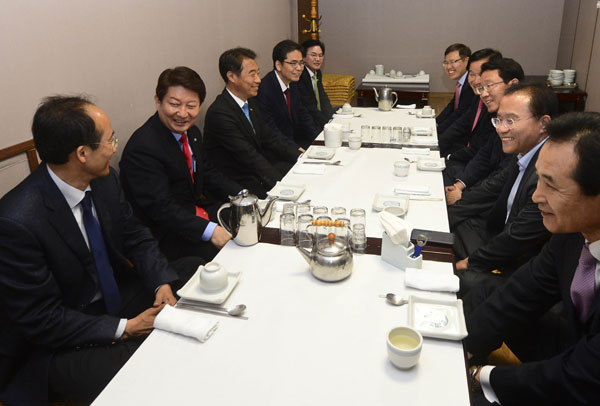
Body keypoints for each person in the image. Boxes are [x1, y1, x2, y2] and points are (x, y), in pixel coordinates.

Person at [0, 96, 199, 405]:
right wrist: (126, 328)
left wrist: (161, 283)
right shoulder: (17, 221)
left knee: (191, 271)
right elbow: (42, 320)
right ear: (82, 153)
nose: (114, 148)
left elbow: (136, 236)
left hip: (114, 298)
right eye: (110, 140)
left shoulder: (104, 180)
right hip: (60, 339)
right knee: (145, 362)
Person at [466, 111, 600, 405]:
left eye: (551, 185)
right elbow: (522, 292)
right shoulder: (571, 233)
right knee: (488, 292)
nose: (537, 195)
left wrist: (480, 377)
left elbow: (582, 375)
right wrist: (461, 351)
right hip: (577, 347)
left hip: (588, 379)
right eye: (539, 179)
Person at [120, 67, 242, 262]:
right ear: (158, 101)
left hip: (192, 212)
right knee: (229, 256)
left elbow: (208, 172)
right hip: (164, 233)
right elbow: (161, 208)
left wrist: (243, 195)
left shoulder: (192, 134)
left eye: (191, 105)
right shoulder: (143, 147)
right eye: (174, 104)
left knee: (247, 227)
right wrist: (210, 231)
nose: (183, 113)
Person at [449, 83, 557, 294]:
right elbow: (492, 189)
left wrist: (466, 263)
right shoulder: (525, 153)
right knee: (454, 226)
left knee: (463, 278)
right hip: (500, 235)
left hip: (521, 264)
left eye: (511, 121)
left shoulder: (547, 171)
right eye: (499, 120)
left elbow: (517, 238)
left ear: (543, 123)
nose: (500, 129)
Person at [203, 47, 302, 199]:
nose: (258, 80)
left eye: (258, 73)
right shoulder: (220, 113)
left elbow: (270, 138)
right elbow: (248, 156)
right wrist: (281, 185)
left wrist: (302, 156)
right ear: (232, 76)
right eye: (252, 74)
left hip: (256, 173)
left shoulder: (250, 102)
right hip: (237, 185)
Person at [444, 57, 523, 203]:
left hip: (498, 201)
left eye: (489, 86)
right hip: (482, 183)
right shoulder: (498, 115)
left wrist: (464, 197)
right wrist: (459, 185)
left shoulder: (523, 121)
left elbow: (503, 176)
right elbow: (485, 154)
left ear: (513, 85)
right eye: (482, 88)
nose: (484, 94)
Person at [257, 39, 319, 149]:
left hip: (294, 141)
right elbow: (272, 131)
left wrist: (319, 139)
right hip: (276, 149)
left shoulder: (293, 83)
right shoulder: (264, 90)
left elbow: (303, 115)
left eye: (301, 63)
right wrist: (297, 151)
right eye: (293, 63)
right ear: (278, 65)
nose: (299, 68)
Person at [436, 43, 474, 134]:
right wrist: (436, 123)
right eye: (446, 63)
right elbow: (452, 106)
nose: (448, 67)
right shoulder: (462, 81)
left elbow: (459, 115)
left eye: (453, 62)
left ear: (466, 60)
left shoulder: (471, 84)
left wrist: (437, 131)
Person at [298, 39, 334, 131]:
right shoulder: (300, 75)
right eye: (313, 55)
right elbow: (310, 107)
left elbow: (323, 98)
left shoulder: (317, 72)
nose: (318, 59)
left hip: (317, 116)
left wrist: (332, 119)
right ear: (303, 57)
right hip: (306, 123)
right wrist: (326, 125)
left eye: (320, 55)